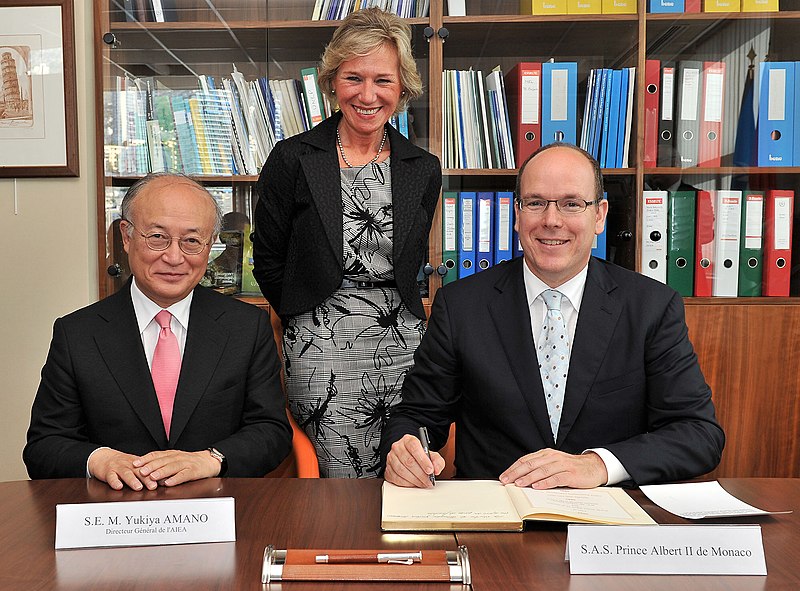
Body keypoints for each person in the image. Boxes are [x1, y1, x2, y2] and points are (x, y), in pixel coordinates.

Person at [380, 143, 725, 489]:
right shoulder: (462, 305)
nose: (551, 220)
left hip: (605, 521)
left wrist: (598, 465)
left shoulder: (651, 307)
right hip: (495, 515)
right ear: (517, 215)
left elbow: (698, 434)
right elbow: (417, 416)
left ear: (600, 216)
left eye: (571, 204)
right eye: (535, 203)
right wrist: (406, 448)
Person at [252, 8, 441, 478]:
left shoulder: (422, 167)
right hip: (320, 342)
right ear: (333, 81)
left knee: (407, 468)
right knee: (336, 481)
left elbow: (410, 262)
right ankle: (339, 553)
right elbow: (268, 258)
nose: (368, 94)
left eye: (383, 80)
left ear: (403, 87)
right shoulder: (293, 158)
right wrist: (303, 314)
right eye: (353, 78)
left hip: (402, 341)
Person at [24, 173, 292, 490]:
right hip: (114, 516)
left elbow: (271, 431)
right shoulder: (78, 334)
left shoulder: (246, 327)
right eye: (157, 238)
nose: (174, 257)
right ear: (126, 236)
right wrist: (100, 460)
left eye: (192, 241)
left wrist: (210, 459)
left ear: (210, 246)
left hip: (217, 512)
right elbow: (44, 447)